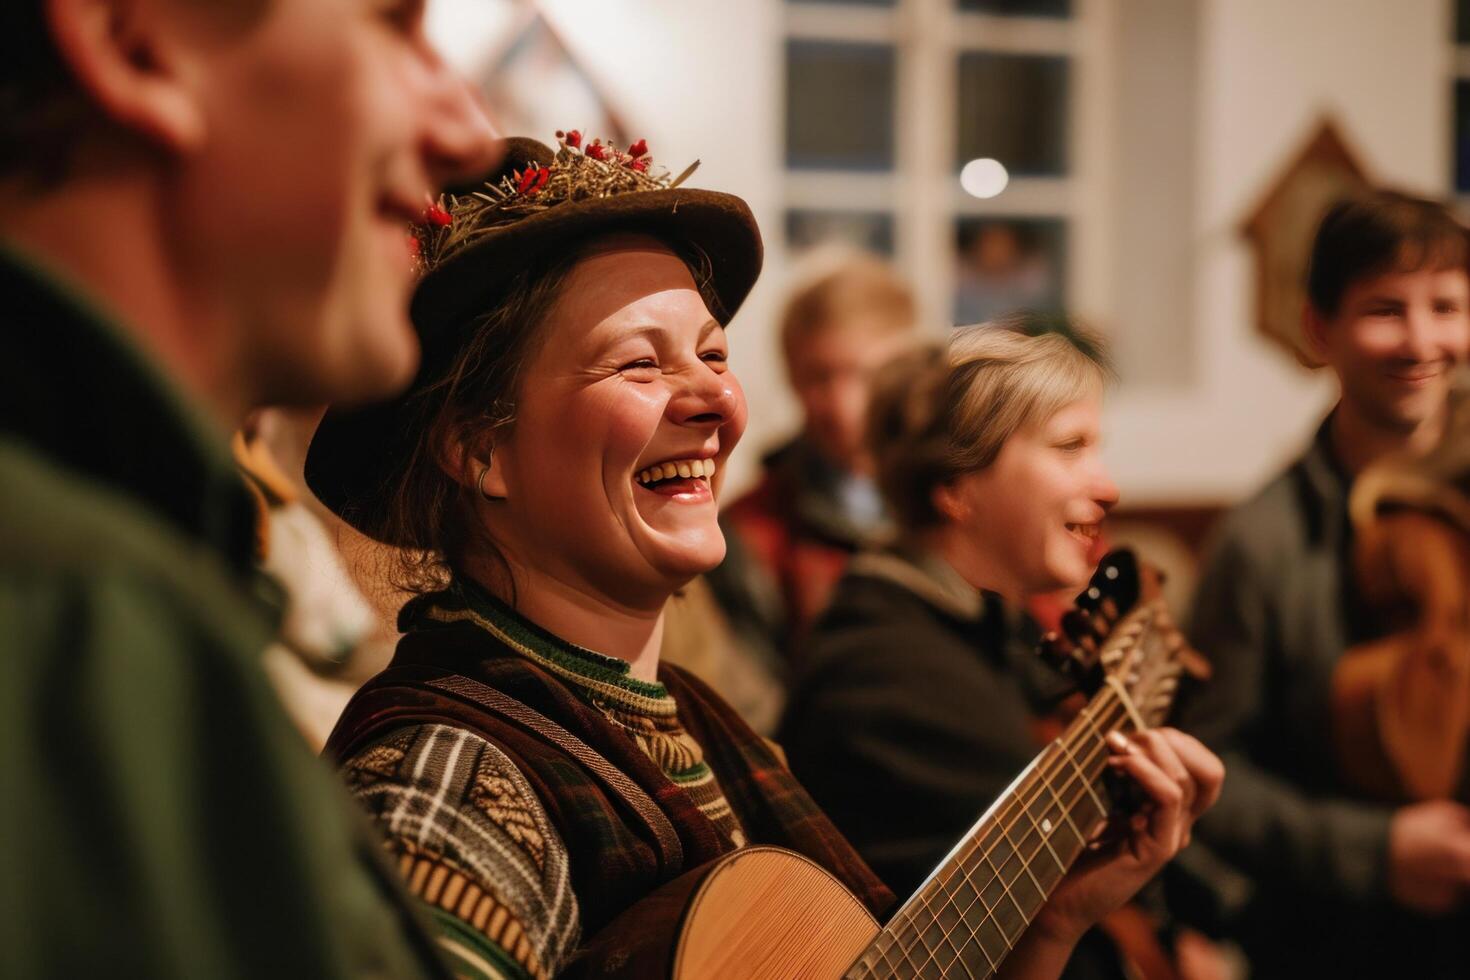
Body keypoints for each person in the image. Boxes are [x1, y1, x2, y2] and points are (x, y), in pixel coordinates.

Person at [305, 132, 1224, 980]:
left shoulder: (698, 728)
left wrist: (1050, 922)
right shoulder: (448, 792)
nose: (715, 401)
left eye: (713, 354)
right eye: (639, 364)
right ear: (478, 450)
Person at [0, 1, 496, 975]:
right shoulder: (72, 616)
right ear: (132, 41)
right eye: (394, 26)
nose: (466, 131)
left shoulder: (128, 586)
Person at [780, 323, 1221, 978]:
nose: (1108, 487)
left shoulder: (976, 628)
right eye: (1070, 446)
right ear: (955, 484)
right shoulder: (884, 675)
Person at [1180, 190, 1470, 978]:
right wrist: (1374, 850)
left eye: (1446, 306)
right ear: (1318, 329)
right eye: (1385, 309)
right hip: (1338, 946)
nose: (1421, 341)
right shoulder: (1259, 540)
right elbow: (1206, 764)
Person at [717, 248, 919, 665]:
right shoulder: (751, 532)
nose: (842, 405)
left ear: (907, 369)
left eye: (863, 374)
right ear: (791, 375)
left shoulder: (956, 496)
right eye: (819, 377)